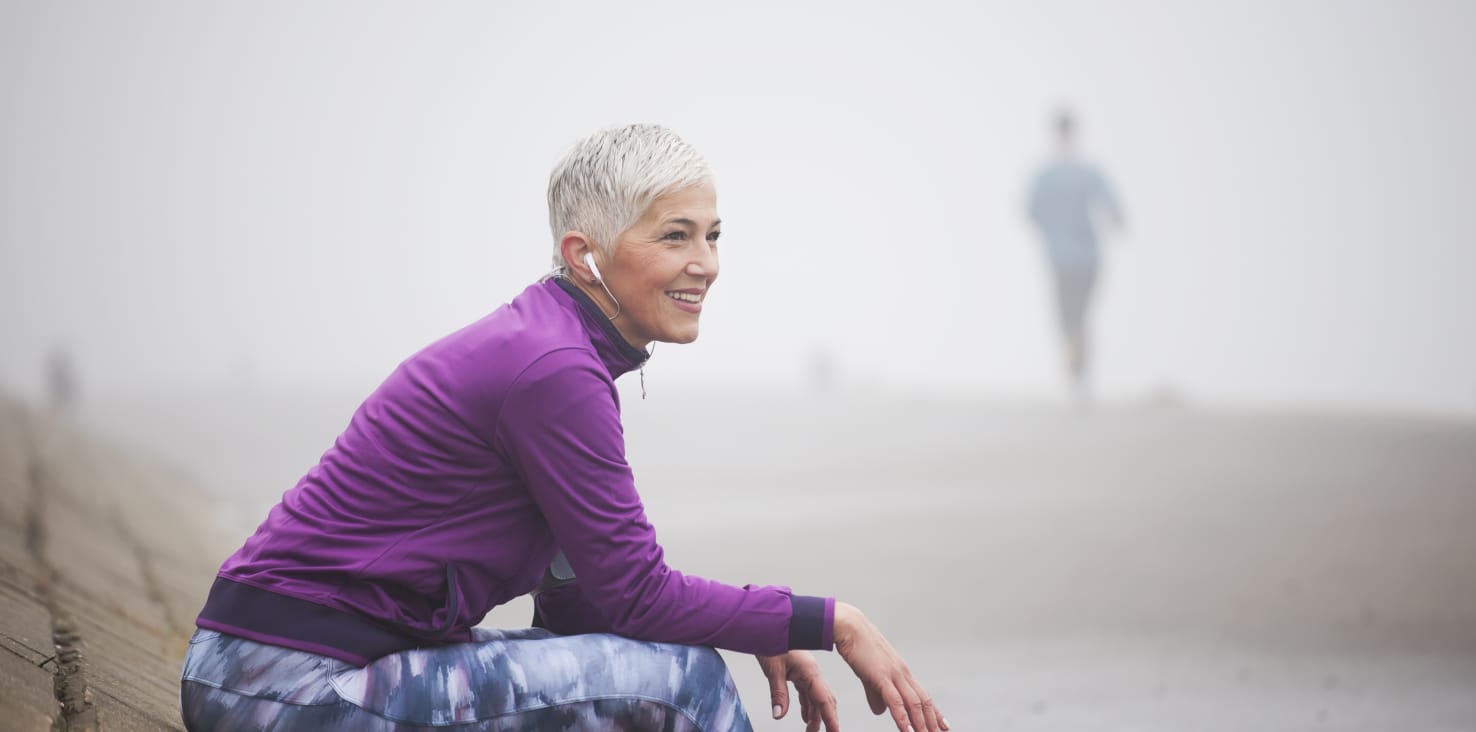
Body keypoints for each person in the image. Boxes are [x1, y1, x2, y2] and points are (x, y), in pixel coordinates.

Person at [181, 124, 949, 732]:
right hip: (285, 682)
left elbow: (588, 604)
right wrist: (829, 621)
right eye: (675, 236)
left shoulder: (550, 348)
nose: (706, 263)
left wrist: (752, 625)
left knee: (656, 660)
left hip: (281, 664)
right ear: (585, 255)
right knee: (688, 683)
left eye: (713, 235)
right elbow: (638, 593)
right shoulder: (553, 370)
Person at [1026, 109, 1125, 396]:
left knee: (1072, 317)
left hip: (1071, 258)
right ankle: (1078, 372)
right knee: (1076, 317)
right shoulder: (1074, 173)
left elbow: (1031, 212)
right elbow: (1113, 207)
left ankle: (1077, 369)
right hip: (1076, 257)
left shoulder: (1056, 175)